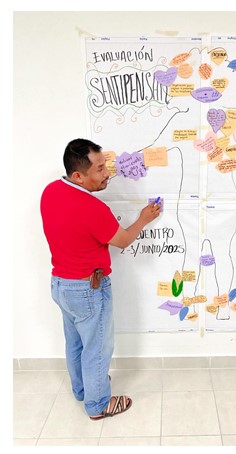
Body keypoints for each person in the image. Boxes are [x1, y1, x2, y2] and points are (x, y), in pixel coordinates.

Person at [41, 138, 162, 419]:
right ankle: (97, 405)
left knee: (76, 343)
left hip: (61, 285)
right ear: (78, 176)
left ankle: (84, 390)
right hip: (88, 289)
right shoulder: (92, 209)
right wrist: (143, 218)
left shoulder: (51, 191)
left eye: (105, 165)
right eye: (99, 169)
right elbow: (123, 240)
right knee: (97, 348)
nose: (107, 173)